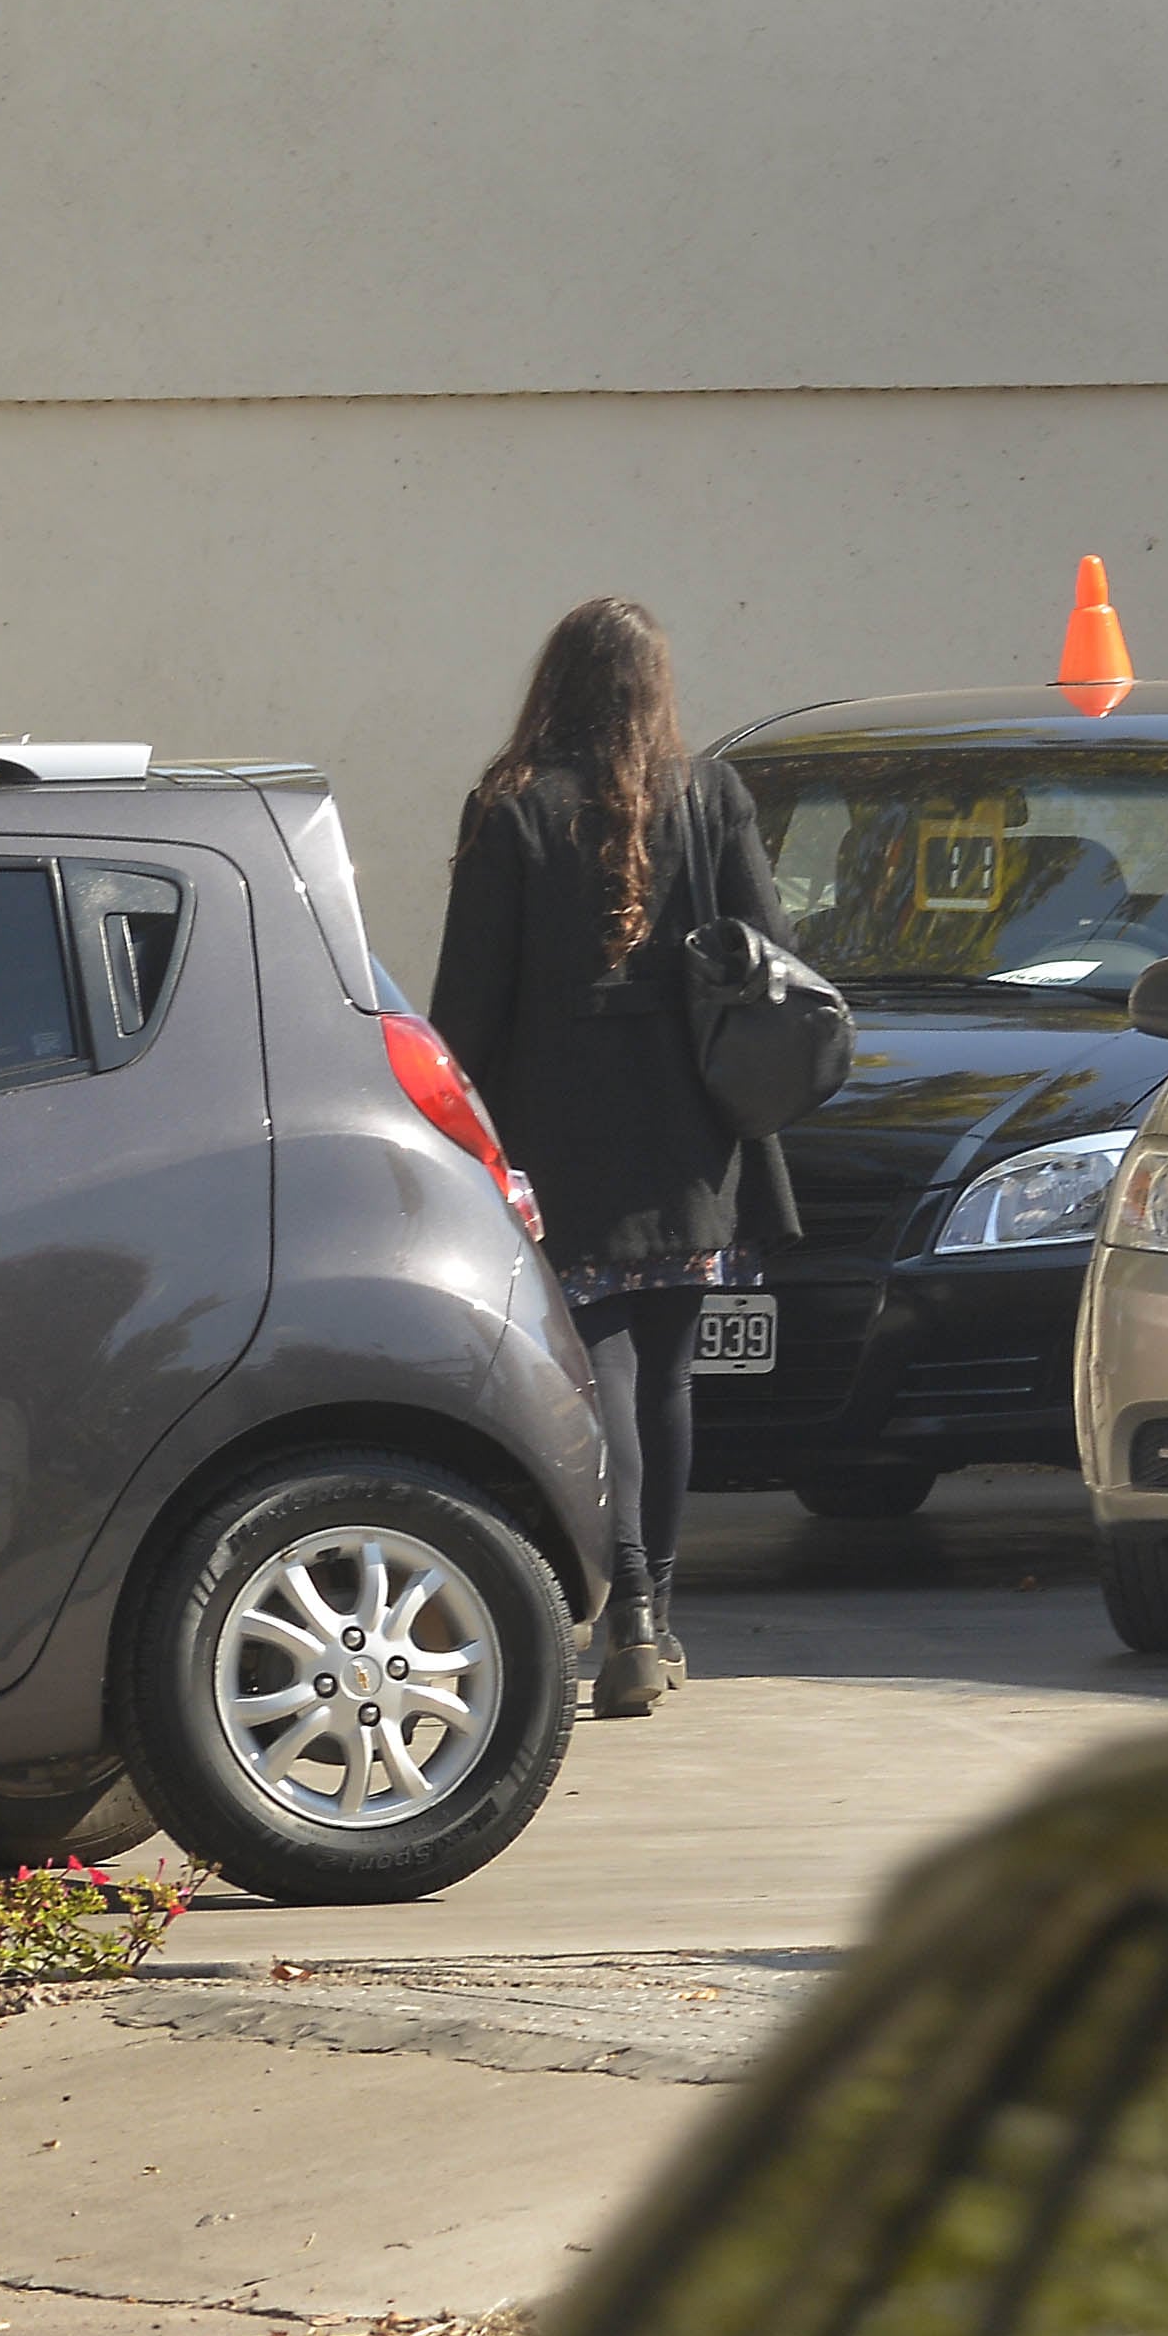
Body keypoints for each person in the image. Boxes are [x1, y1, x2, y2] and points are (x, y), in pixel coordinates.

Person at [428, 597, 799, 1719]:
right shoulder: (711, 796)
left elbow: (468, 1002)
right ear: (653, 690)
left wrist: (460, 1133)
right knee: (672, 1376)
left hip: (562, 1134)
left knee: (601, 1377)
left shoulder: (511, 809)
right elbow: (772, 961)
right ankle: (656, 1614)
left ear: (556, 684)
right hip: (688, 1136)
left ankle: (622, 1596)